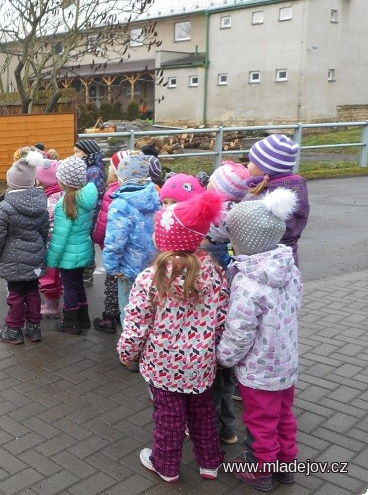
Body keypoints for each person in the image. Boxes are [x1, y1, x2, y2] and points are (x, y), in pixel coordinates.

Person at [117, 190, 229, 483]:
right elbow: (220, 319)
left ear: (164, 239)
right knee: (202, 413)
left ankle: (166, 465)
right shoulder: (215, 274)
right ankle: (210, 463)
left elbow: (136, 323)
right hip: (201, 364)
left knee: (168, 417)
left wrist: (127, 353)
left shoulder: (151, 278)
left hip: (162, 365)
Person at [217, 188, 303, 491]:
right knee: (283, 415)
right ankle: (286, 465)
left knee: (261, 421)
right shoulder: (288, 268)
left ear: (244, 241)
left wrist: (224, 358)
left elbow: (239, 331)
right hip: (286, 363)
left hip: (259, 370)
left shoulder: (248, 282)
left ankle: (260, 470)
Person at [202, 159, 252, 446]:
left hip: (214, 329)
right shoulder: (240, 221)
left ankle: (209, 428)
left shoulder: (216, 219)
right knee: (226, 379)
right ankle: (228, 429)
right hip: (232, 326)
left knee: (214, 382)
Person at [0, 150, 50, 344]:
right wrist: (39, 249)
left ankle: (14, 329)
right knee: (33, 293)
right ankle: (34, 328)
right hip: (35, 258)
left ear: (11, 183)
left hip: (12, 259)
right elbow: (44, 230)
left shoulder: (5, 208)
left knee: (15, 295)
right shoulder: (41, 204)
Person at [103, 153, 161, 328]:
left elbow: (115, 242)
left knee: (130, 314)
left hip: (129, 270)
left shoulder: (120, 205)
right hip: (154, 267)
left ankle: (130, 352)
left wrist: (112, 268)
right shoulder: (156, 197)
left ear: (121, 177)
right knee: (152, 314)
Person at [45, 156, 99, 334]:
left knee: (69, 288)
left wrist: (51, 259)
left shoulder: (65, 204)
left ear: (64, 181)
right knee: (79, 285)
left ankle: (71, 322)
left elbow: (60, 237)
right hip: (83, 250)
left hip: (68, 255)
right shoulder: (86, 197)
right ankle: (83, 318)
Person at [244, 134, 309, 269]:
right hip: (289, 257)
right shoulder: (296, 186)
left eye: (251, 162)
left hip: (265, 262)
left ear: (264, 169)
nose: (248, 165)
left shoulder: (267, 196)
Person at [91, 149, 131, 333]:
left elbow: (104, 225)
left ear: (117, 171)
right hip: (135, 254)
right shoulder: (149, 192)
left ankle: (110, 315)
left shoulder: (113, 194)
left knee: (112, 284)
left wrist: (96, 238)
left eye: (110, 167)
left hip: (115, 249)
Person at [74, 139, 106, 287]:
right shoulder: (87, 168)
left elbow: (94, 196)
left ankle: (87, 274)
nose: (74, 155)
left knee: (87, 243)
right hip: (87, 212)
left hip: (91, 213)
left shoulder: (92, 171)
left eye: (77, 152)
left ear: (87, 153)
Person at [35, 158, 64, 318]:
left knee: (50, 277)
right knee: (56, 276)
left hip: (51, 245)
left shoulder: (51, 201)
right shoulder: (60, 193)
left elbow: (49, 226)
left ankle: (53, 307)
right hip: (60, 244)